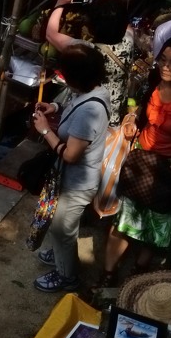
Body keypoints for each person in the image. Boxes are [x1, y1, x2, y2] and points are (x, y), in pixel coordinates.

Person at [98, 35, 171, 288]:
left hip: (168, 169)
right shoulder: (154, 84)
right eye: (163, 60)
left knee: (154, 228)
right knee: (123, 223)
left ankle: (138, 270)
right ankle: (108, 275)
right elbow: (141, 113)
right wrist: (134, 121)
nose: (165, 67)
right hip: (140, 162)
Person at [30, 44, 111, 292]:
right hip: (69, 178)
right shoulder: (95, 90)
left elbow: (71, 154)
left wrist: (45, 130)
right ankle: (59, 254)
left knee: (62, 227)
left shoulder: (90, 110)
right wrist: (54, 108)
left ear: (78, 78)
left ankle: (67, 277)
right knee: (59, 222)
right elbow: (72, 103)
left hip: (77, 181)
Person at [45, 0, 132, 125]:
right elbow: (122, 23)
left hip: (90, 122)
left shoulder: (87, 51)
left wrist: (60, 3)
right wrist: (102, 2)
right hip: (115, 120)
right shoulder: (129, 41)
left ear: (90, 29)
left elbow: (51, 34)